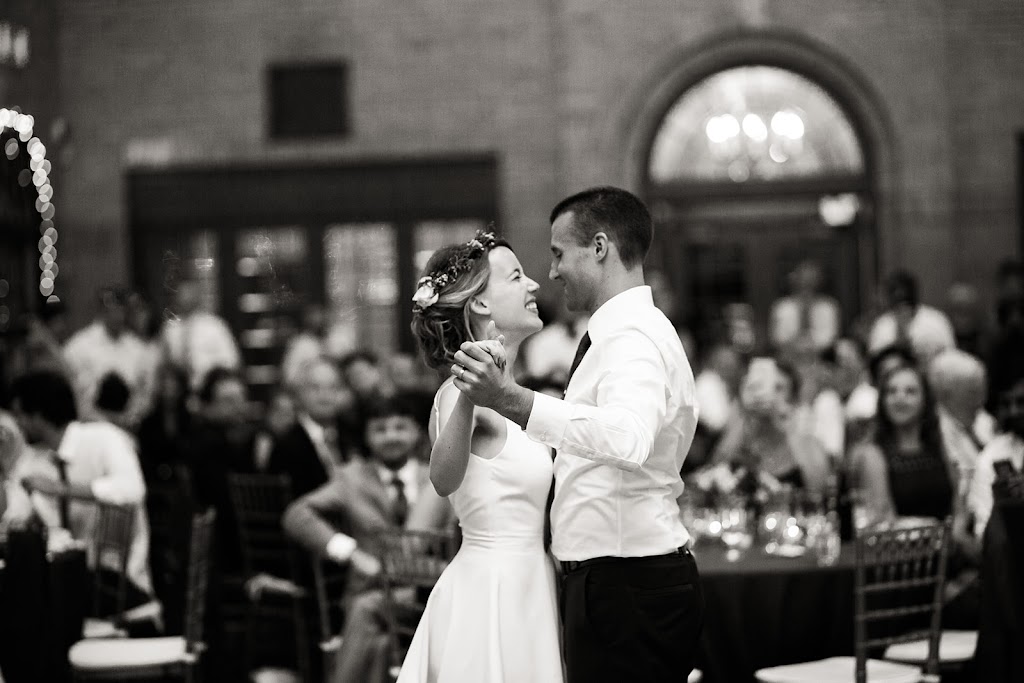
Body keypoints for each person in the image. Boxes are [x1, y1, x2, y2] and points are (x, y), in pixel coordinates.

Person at [453, 188, 704, 683]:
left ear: (600, 247)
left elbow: (628, 439)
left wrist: (514, 401)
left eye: (558, 253)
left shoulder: (632, 336)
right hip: (617, 581)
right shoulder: (618, 332)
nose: (551, 272)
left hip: (628, 583)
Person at [396, 230, 563, 682]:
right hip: (492, 590)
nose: (533, 285)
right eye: (516, 276)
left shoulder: (515, 395)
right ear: (481, 303)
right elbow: (443, 479)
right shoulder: (459, 392)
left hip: (531, 581)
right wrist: (471, 395)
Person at [282, 392, 447, 683]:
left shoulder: (438, 475)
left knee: (369, 614)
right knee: (378, 636)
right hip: (372, 586)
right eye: (380, 430)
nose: (391, 436)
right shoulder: (352, 478)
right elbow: (297, 514)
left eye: (400, 427)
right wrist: (351, 553)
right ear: (367, 437)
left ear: (417, 432)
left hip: (426, 592)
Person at [848, 364, 954, 526]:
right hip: (900, 540)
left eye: (910, 391)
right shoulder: (873, 454)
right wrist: (931, 526)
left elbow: (958, 502)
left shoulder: (939, 446)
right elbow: (882, 519)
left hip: (947, 539)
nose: (900, 398)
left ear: (925, 399)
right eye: (891, 391)